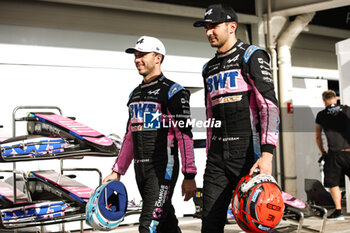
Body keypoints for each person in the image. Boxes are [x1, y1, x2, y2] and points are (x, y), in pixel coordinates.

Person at [193, 3, 280, 232]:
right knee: (209, 224)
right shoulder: (208, 68)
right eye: (206, 27)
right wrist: (211, 152)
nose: (209, 32)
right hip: (217, 158)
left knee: (256, 223)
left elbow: (269, 106)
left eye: (214, 26)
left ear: (232, 26)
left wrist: (267, 154)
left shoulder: (251, 55)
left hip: (248, 155)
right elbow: (210, 113)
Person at [103, 36, 197, 233]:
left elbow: (184, 135)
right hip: (141, 170)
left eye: (143, 55)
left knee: (148, 226)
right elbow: (130, 136)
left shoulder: (173, 92)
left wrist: (189, 175)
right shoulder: (134, 95)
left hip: (162, 170)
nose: (138, 59)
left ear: (158, 58)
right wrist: (117, 171)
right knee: (166, 222)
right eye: (136, 55)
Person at [315, 89, 350, 220]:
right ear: (336, 98)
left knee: (333, 183)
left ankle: (339, 211)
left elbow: (318, 136)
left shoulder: (321, 115)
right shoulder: (347, 110)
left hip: (334, 153)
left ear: (324, 101)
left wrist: (323, 151)